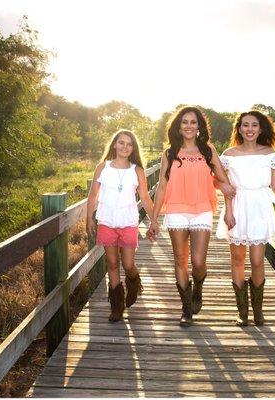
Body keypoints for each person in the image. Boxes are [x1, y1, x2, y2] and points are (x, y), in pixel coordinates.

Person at [216, 110, 275, 326]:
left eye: (254, 125)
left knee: (257, 261)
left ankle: (258, 311)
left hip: (259, 208)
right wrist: (228, 211)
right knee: (237, 260)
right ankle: (243, 313)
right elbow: (226, 187)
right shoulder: (229, 154)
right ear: (239, 128)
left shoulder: (270, 154)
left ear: (261, 128)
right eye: (245, 125)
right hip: (237, 206)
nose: (249, 129)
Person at [147, 106, 235, 326]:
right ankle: (186, 307)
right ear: (178, 126)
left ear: (199, 126)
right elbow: (162, 186)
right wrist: (154, 218)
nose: (188, 126)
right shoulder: (169, 153)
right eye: (184, 122)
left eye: (193, 122)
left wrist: (225, 191)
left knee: (198, 261)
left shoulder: (208, 150)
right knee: (180, 260)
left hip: (202, 209)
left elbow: (222, 179)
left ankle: (199, 287)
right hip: (176, 209)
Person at [86, 129, 155, 322]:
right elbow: (93, 195)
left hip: (128, 222)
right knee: (113, 263)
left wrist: (154, 220)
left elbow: (145, 197)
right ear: (114, 144)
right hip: (107, 221)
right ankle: (117, 305)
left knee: (128, 263)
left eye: (129, 144)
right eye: (121, 142)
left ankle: (133, 283)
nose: (125, 147)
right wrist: (89, 218)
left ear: (133, 148)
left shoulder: (137, 171)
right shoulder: (102, 167)